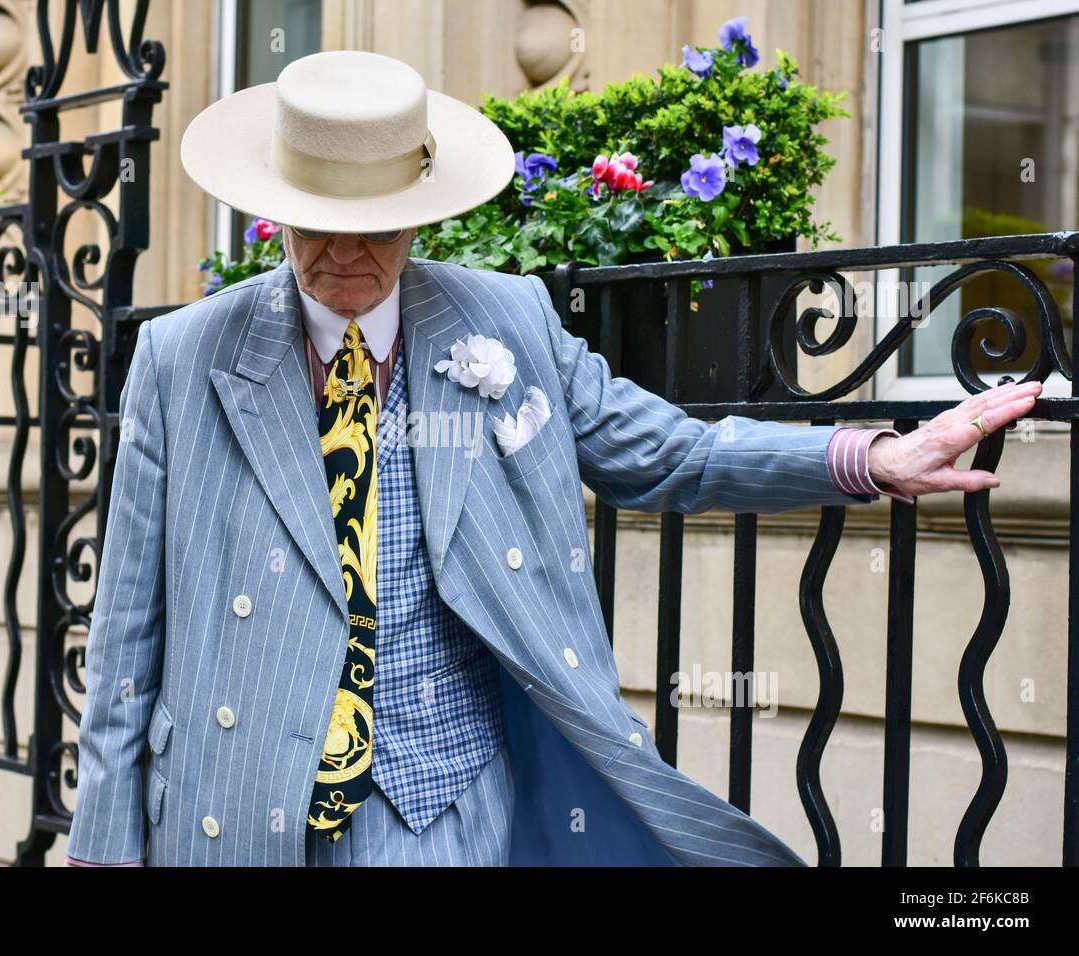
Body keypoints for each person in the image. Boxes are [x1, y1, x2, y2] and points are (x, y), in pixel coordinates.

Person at [64, 51, 1040, 867]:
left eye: (378, 222)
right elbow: (127, 626)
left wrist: (869, 456)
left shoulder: (506, 321)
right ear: (276, 209)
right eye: (323, 222)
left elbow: (667, 452)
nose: (350, 251)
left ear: (421, 207)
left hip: (444, 809)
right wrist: (102, 844)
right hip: (236, 810)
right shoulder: (182, 358)